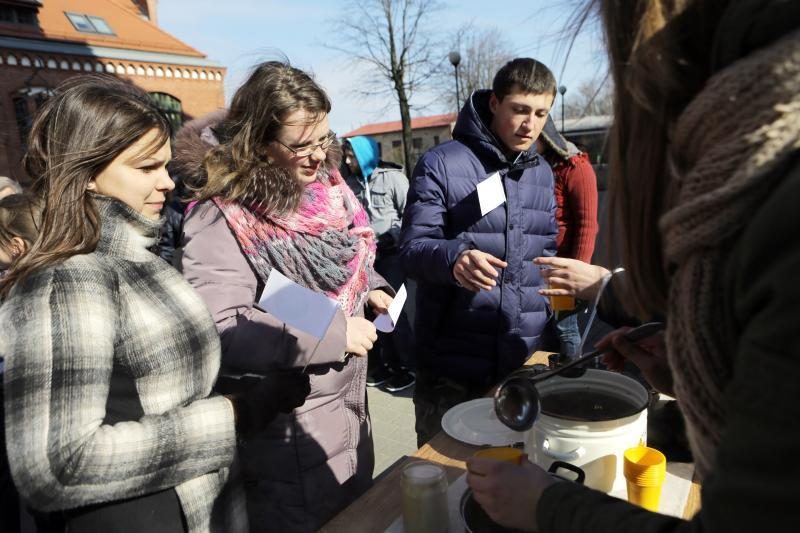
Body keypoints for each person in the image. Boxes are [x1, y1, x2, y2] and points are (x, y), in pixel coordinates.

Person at [466, 1, 800, 531]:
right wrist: (697, 374)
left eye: (540, 112)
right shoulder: (760, 181)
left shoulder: (778, 213)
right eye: (519, 110)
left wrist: (548, 506)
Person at [0, 76, 309, 533]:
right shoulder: (67, 279)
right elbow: (56, 465)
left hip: (209, 497)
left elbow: (150, 380)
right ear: (84, 173)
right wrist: (237, 412)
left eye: (165, 165)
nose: (168, 183)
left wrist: (244, 388)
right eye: (147, 167)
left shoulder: (134, 255)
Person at [177, 61, 391, 531]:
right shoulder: (221, 215)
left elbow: (348, 266)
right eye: (301, 146)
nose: (319, 157)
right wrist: (336, 331)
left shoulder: (330, 191)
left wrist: (373, 290)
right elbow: (223, 324)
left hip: (350, 412)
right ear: (259, 142)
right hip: (288, 436)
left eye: (324, 140)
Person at [400, 57, 558, 446]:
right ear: (494, 103)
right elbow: (412, 250)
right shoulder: (442, 162)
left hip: (521, 359)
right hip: (452, 365)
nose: (530, 125)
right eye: (520, 110)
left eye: (541, 113)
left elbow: (546, 249)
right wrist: (455, 259)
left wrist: (552, 305)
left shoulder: (542, 171)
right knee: (447, 477)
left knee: (515, 482)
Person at [342, 135, 416, 392]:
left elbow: (412, 215)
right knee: (373, 313)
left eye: (352, 155)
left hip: (392, 254)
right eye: (346, 156)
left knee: (393, 311)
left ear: (364, 154)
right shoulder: (350, 184)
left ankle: (407, 367)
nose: (348, 160)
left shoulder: (392, 178)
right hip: (367, 260)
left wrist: (396, 238)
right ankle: (385, 364)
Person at [536, 116, 599, 360]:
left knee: (565, 329)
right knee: (544, 329)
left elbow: (587, 225)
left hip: (563, 271)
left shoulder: (575, 168)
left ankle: (574, 377)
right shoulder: (536, 166)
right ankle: (551, 379)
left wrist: (576, 276)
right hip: (540, 270)